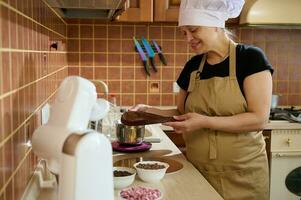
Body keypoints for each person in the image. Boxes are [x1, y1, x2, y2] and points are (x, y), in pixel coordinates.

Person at [130, 0, 273, 199]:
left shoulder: (250, 59)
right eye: (184, 33)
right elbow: (181, 113)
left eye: (194, 30)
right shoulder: (193, 66)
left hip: (243, 176)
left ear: (216, 25)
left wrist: (204, 121)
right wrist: (147, 110)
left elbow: (259, 119)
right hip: (198, 171)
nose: (188, 38)